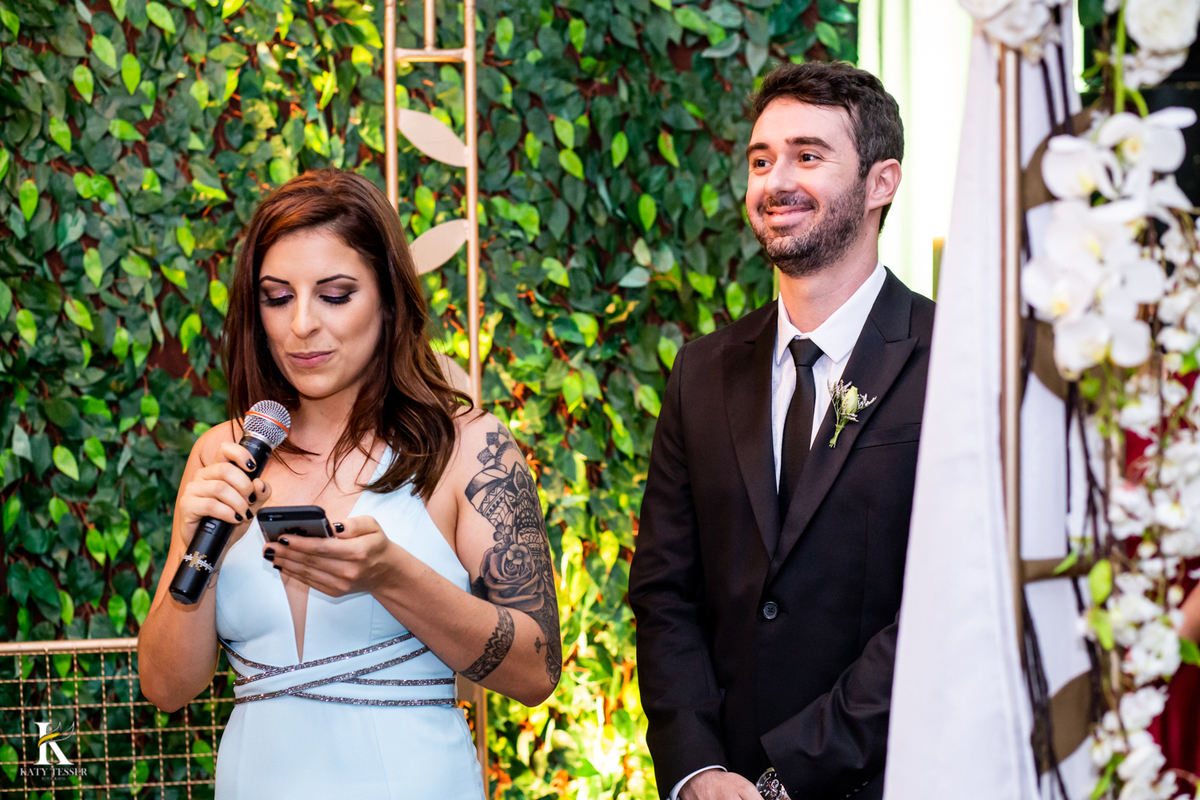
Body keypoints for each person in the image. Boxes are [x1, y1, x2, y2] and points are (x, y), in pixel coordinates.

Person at [137, 170, 561, 799]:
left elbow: (537, 670)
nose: (300, 325)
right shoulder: (223, 452)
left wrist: (391, 575)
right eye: (277, 297)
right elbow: (166, 688)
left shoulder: (468, 444)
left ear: (389, 299)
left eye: (334, 295)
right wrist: (192, 545)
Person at [628, 61, 933, 800]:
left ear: (881, 183)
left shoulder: (953, 358)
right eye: (761, 160)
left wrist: (784, 776)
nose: (775, 180)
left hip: (890, 778)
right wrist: (698, 769)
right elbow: (664, 590)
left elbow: (943, 602)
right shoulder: (702, 371)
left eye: (808, 155)